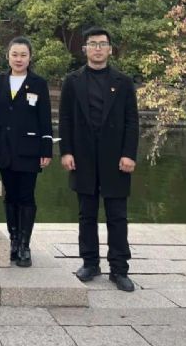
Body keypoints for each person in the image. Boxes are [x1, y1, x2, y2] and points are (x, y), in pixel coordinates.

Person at [59, 27, 138, 292]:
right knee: (86, 214)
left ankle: (119, 269)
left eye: (102, 44)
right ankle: (90, 263)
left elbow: (132, 121)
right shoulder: (72, 81)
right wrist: (66, 152)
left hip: (115, 157)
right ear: (85, 49)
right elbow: (65, 119)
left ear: (110, 49)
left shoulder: (123, 82)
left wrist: (129, 154)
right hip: (83, 156)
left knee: (117, 215)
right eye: (92, 44)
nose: (97, 49)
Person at [0, 36, 53, 267]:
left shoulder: (38, 83)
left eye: (23, 55)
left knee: (26, 195)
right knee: (10, 195)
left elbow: (45, 119)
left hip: (29, 148)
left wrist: (46, 149)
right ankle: (13, 241)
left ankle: (24, 245)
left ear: (30, 58)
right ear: (8, 56)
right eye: (15, 54)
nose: (19, 59)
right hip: (4, 147)